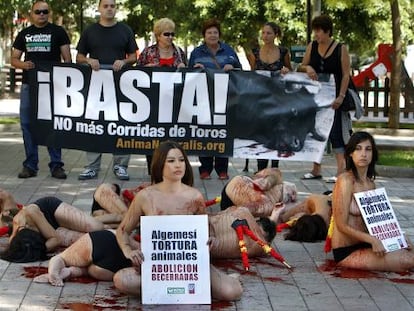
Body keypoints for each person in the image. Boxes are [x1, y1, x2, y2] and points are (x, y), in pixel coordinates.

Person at [114, 141, 243, 301]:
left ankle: (227, 278)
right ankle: (167, 290)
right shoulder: (145, 196)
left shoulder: (194, 196)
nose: (178, 165)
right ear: (160, 163)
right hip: (156, 266)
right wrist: (128, 252)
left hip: (189, 266)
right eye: (171, 161)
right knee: (121, 280)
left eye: (181, 160)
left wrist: (212, 239)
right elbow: (122, 230)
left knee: (231, 292)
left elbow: (207, 227)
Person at [331, 131, 414, 272]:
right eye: (358, 148)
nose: (363, 154)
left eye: (368, 149)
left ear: (373, 154)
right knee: (407, 260)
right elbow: (340, 225)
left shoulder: (370, 184)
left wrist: (397, 237)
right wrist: (372, 240)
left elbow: (376, 222)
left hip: (367, 243)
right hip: (346, 251)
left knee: (410, 249)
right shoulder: (345, 180)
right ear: (350, 153)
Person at [76, 0, 138, 181]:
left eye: (112, 6)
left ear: (116, 9)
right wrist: (89, 61)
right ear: (99, 9)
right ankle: (92, 166)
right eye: (106, 6)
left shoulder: (125, 30)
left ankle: (120, 165)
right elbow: (79, 56)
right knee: (94, 125)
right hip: (96, 86)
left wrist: (124, 62)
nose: (109, 9)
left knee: (121, 124)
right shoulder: (89, 31)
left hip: (120, 85)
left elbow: (133, 56)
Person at [11, 0, 71, 179]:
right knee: (27, 124)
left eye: (45, 11)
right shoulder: (24, 34)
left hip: (52, 86)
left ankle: (56, 165)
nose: (42, 14)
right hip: (30, 85)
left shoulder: (58, 32)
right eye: (38, 12)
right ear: (32, 14)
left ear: (49, 13)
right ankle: (30, 165)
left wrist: (61, 78)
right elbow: (14, 59)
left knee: (52, 124)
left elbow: (67, 60)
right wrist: (23, 64)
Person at [299, 15, 352, 183]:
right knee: (317, 131)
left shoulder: (340, 48)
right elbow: (301, 66)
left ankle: (341, 171)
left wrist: (341, 96)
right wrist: (307, 68)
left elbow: (345, 75)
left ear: (327, 31)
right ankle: (316, 169)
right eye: (314, 32)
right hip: (316, 97)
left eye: (319, 32)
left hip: (334, 97)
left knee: (336, 133)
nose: (316, 35)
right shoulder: (312, 46)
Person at [189, 18, 242, 181]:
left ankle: (222, 169)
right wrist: (195, 69)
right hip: (203, 98)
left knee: (222, 132)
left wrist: (233, 68)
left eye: (215, 32)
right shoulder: (197, 53)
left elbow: (240, 71)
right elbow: (187, 74)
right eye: (209, 32)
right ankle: (204, 168)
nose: (212, 35)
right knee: (204, 131)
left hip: (225, 99)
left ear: (219, 34)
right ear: (204, 35)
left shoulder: (229, 51)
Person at [137, 17, 187, 175]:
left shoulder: (179, 52)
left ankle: (172, 169)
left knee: (172, 136)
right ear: (158, 35)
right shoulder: (148, 52)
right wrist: (146, 68)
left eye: (172, 34)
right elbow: (136, 74)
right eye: (167, 34)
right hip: (152, 102)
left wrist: (184, 68)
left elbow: (189, 75)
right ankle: (154, 170)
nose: (170, 37)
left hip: (173, 102)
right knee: (152, 136)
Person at [1, 193, 104, 260]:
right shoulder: (16, 233)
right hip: (51, 229)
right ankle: (106, 221)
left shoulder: (29, 213)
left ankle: (113, 217)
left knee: (96, 227)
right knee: (94, 238)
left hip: (51, 210)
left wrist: (38, 250)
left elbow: (56, 240)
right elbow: (12, 246)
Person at [247, 22, 292, 172]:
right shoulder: (254, 53)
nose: (265, 36)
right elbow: (252, 74)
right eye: (263, 33)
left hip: (279, 99)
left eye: (269, 33)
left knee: (277, 133)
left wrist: (286, 70)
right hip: (261, 99)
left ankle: (274, 169)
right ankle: (261, 169)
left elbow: (291, 72)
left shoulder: (283, 52)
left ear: (275, 35)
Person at [32, 229, 139, 286]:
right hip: (117, 267)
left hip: (107, 240)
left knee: (61, 258)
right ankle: (70, 272)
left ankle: (56, 271)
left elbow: (123, 229)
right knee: (88, 270)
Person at [220, 167, 297, 217]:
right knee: (275, 173)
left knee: (264, 206)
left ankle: (229, 214)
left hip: (237, 192)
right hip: (238, 186)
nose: (293, 195)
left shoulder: (271, 204)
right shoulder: (278, 180)